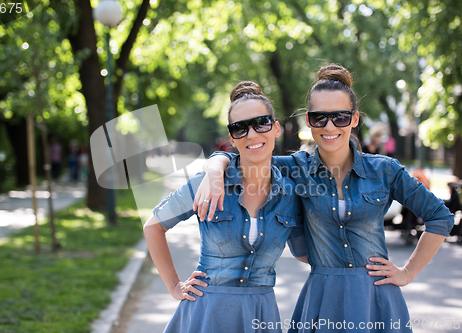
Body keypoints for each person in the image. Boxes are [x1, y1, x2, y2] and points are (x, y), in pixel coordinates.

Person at [194, 64, 454, 332]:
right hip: (322, 298)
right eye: (320, 118)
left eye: (340, 117)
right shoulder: (294, 168)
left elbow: (440, 217)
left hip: (376, 300)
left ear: (354, 119)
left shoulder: (385, 170)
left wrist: (407, 272)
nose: (329, 126)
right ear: (309, 120)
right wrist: (215, 169)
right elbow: (245, 155)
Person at [143, 81, 307, 333]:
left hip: (260, 315)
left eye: (261, 123)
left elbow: (304, 253)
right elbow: (153, 226)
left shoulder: (289, 195)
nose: (252, 134)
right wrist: (175, 286)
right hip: (207, 315)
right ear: (231, 137)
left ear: (275, 128)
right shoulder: (207, 183)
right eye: (240, 128)